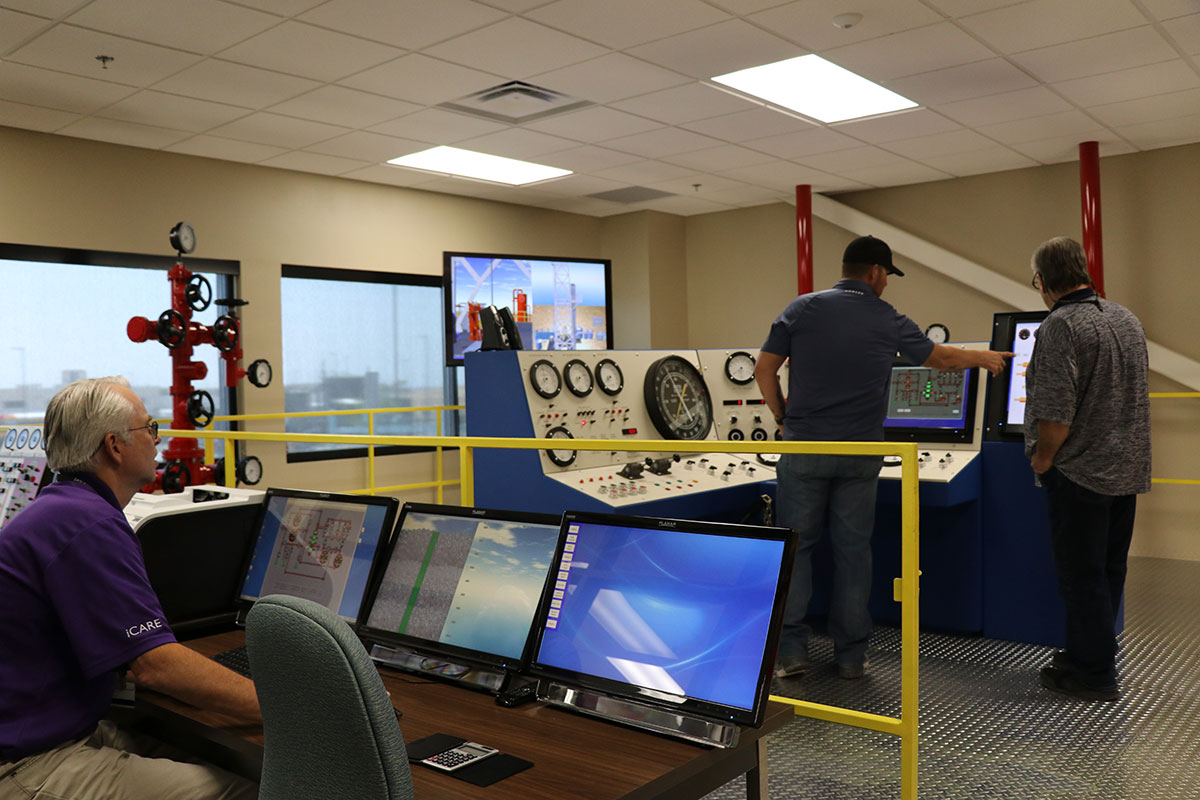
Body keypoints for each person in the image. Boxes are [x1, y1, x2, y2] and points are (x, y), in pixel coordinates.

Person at [756, 235, 1011, 679]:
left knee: (796, 548)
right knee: (853, 553)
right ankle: (851, 657)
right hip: (862, 452)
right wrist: (984, 357)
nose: (886, 285)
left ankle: (792, 654)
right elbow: (942, 360)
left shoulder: (800, 308)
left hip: (804, 447)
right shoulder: (887, 318)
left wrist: (782, 415)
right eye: (887, 277)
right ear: (875, 272)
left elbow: (763, 369)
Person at [0, 376, 260, 799]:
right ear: (114, 446)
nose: (157, 440)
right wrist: (286, 709)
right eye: (149, 427)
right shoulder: (88, 524)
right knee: (250, 791)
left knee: (233, 760)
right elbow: (155, 666)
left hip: (48, 729)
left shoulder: (59, 508)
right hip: (27, 762)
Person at [1025, 237, 1151, 702]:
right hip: (1126, 468)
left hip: (1079, 474)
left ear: (1042, 281)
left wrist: (1042, 459)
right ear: (1084, 269)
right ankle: (1089, 652)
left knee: (1081, 576)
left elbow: (1056, 411)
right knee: (1109, 570)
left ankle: (1092, 675)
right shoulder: (1125, 317)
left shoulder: (1060, 325)